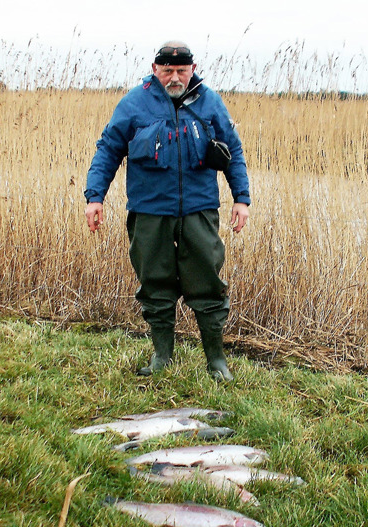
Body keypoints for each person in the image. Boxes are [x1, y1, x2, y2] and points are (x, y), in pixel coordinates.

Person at [84, 40, 251, 382]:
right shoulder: (134, 104)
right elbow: (108, 150)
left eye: (181, 70)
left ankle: (216, 361)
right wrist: (95, 196)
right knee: (154, 284)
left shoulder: (209, 102)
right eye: (167, 71)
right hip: (149, 212)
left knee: (207, 282)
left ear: (192, 69)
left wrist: (241, 198)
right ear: (154, 69)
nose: (174, 77)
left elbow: (232, 148)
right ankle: (162, 355)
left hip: (199, 211)